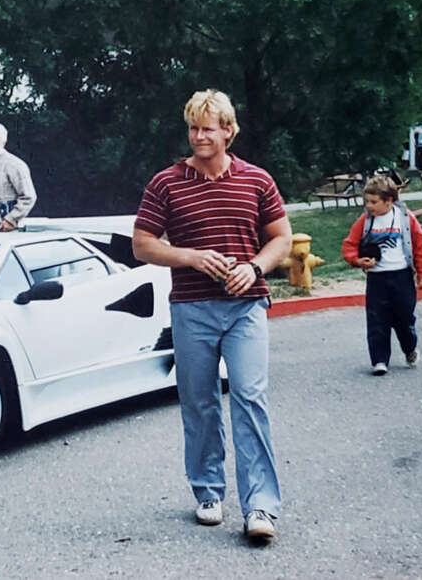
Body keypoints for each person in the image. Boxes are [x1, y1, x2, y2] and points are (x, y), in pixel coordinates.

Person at [132, 89, 292, 543]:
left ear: (228, 130)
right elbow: (142, 243)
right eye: (193, 128)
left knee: (249, 397)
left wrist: (254, 266)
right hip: (191, 308)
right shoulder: (166, 183)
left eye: (208, 128)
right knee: (199, 402)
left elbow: (282, 239)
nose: (199, 136)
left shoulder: (257, 180)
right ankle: (208, 491)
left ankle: (260, 506)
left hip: (245, 306)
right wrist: (190, 257)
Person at [341, 175, 422, 376]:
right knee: (376, 320)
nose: (369, 206)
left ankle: (409, 348)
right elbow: (349, 244)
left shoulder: (405, 219)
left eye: (374, 202)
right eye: (367, 201)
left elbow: (420, 245)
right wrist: (357, 260)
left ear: (389, 201)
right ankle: (379, 359)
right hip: (377, 278)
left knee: (404, 318)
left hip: (401, 276)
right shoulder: (365, 221)